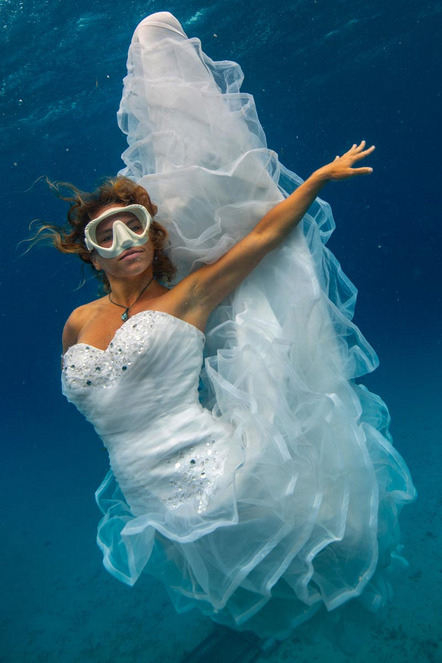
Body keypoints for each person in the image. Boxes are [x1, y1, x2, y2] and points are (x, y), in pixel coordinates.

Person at [46, 12, 415, 641]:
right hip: (147, 497)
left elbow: (266, 236)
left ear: (151, 232)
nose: (124, 239)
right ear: (90, 252)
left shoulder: (191, 295)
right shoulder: (77, 322)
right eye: (104, 234)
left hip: (217, 474)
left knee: (307, 542)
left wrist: (321, 178)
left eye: (134, 223)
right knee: (226, 581)